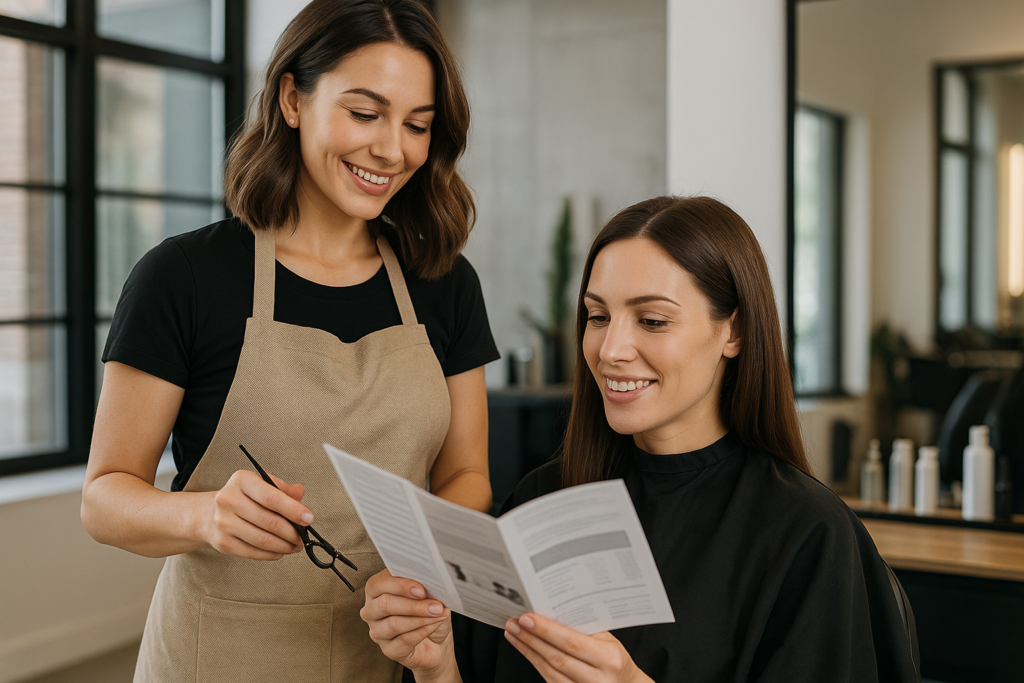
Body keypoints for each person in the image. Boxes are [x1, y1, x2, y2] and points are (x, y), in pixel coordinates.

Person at [81, 1, 498, 681]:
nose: (392, 148)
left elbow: (466, 474)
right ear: (292, 98)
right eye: (365, 113)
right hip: (215, 655)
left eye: (417, 125)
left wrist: (425, 563)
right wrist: (205, 515)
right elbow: (104, 497)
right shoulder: (184, 277)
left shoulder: (443, 283)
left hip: (384, 650)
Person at [359, 196, 921, 683]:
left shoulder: (805, 532)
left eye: (652, 321)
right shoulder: (541, 500)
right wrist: (436, 665)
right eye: (598, 316)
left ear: (735, 331)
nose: (610, 349)